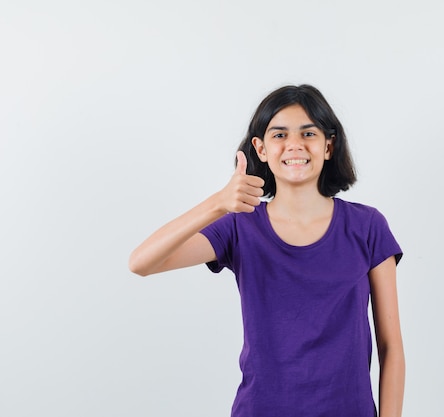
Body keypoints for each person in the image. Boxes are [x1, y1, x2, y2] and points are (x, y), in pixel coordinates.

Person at [128, 84, 405, 417]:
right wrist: (218, 203)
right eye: (279, 135)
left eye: (308, 133)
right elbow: (141, 262)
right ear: (259, 148)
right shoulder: (239, 227)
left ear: (328, 146)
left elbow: (391, 347)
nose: (295, 145)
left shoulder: (367, 226)